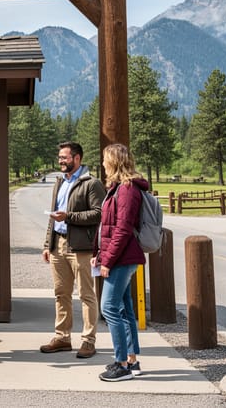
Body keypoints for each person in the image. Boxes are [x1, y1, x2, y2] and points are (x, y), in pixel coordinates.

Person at [40, 141, 105, 359]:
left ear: (77, 158)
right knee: (61, 293)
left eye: (64, 157)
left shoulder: (91, 183)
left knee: (86, 295)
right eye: (60, 157)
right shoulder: (60, 182)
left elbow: (99, 213)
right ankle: (62, 337)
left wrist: (69, 217)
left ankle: (88, 341)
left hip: (81, 248)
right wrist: (47, 244)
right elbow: (53, 216)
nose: (61, 161)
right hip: (58, 245)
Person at [93, 143, 146, 382]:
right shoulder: (118, 188)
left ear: (114, 162)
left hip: (122, 258)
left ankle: (121, 365)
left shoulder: (126, 190)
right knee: (124, 309)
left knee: (109, 308)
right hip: (119, 257)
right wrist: (98, 253)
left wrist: (107, 260)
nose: (103, 163)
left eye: (106, 159)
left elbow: (122, 230)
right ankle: (131, 360)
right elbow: (107, 227)